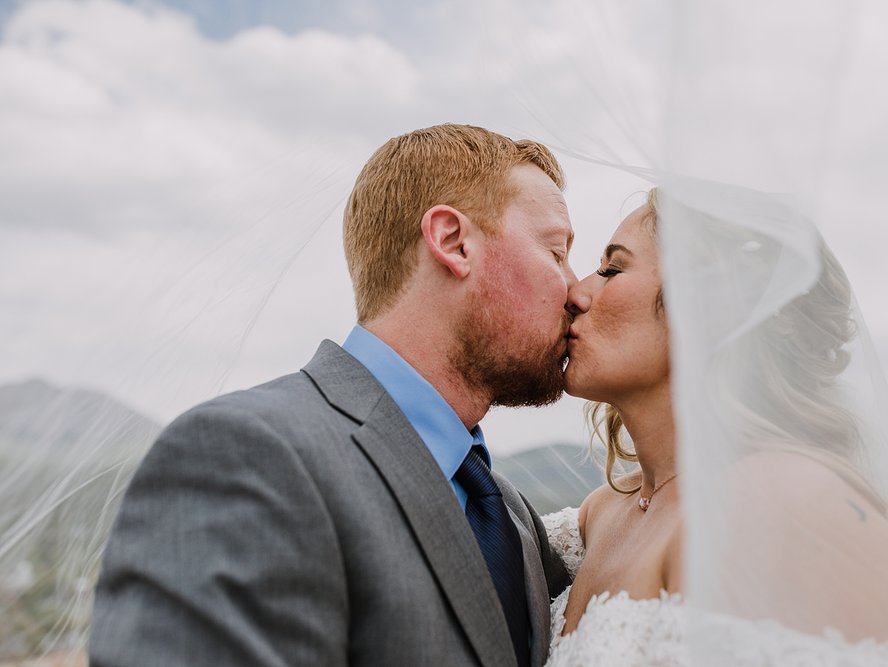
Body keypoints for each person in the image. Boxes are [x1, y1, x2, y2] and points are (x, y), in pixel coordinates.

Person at [88, 123, 574, 667]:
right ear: (454, 243)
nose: (576, 289)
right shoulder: (248, 456)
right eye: (556, 252)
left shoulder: (508, 512)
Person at [541, 187, 888, 666]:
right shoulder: (599, 517)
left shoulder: (784, 507)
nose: (576, 293)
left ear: (709, 310)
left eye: (613, 269)